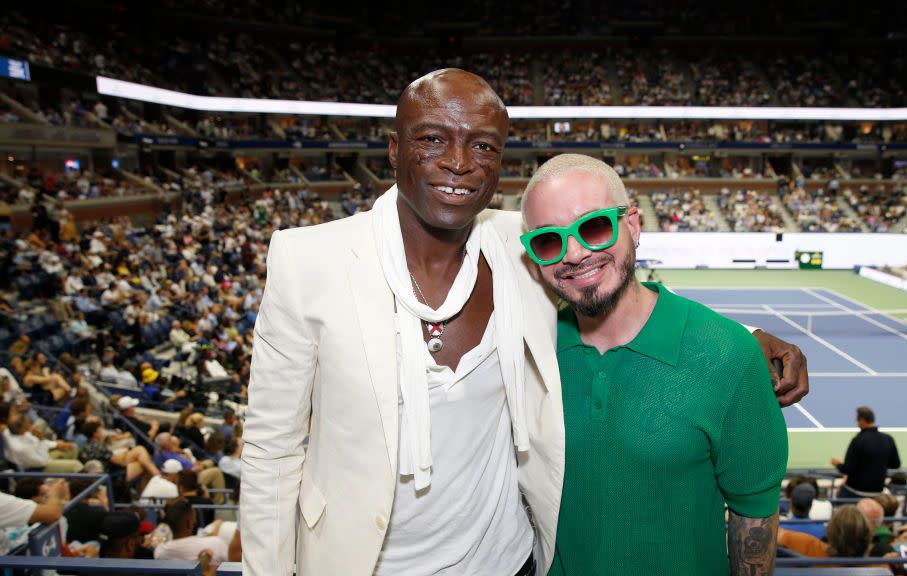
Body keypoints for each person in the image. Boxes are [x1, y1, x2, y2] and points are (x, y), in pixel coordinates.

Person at [241, 69, 809, 576]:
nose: (458, 163)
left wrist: (740, 342)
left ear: (499, 163)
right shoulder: (307, 260)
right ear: (394, 150)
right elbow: (271, 452)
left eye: (482, 145)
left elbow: (609, 276)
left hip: (504, 560)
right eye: (433, 138)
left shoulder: (521, 244)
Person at [519, 153, 787, 575]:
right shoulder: (526, 351)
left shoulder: (730, 355)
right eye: (549, 240)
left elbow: (752, 517)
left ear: (634, 226)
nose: (573, 253)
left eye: (594, 227)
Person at [832, 406, 901, 498]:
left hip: (854, 492)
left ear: (862, 420)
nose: (857, 423)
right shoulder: (888, 439)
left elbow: (847, 469)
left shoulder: (858, 440)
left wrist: (837, 464)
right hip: (877, 492)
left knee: (837, 494)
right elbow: (895, 464)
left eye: (857, 420)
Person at [153, 499, 228, 566]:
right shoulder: (216, 544)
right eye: (194, 518)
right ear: (189, 523)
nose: (195, 521)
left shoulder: (160, 551)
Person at [2, 413, 83, 472]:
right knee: (75, 465)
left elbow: (40, 443)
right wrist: (41, 439)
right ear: (22, 427)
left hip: (44, 454)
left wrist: (56, 444)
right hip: (38, 468)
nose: (31, 423)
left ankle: (66, 474)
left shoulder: (16, 432)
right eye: (28, 422)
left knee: (72, 447)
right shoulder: (21, 448)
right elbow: (41, 462)